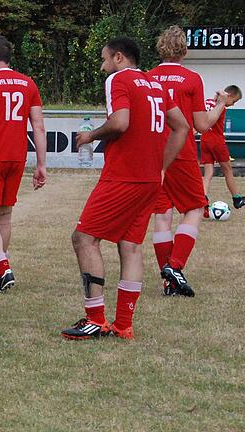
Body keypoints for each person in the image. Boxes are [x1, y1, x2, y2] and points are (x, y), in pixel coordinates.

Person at [61, 37, 188, 341]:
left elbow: (120, 122)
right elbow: (182, 126)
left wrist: (91, 134)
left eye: (104, 60)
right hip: (149, 179)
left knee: (84, 238)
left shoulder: (119, 79)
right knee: (130, 247)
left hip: (124, 176)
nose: (103, 67)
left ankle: (94, 319)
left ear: (118, 57)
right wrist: (161, 166)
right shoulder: (154, 83)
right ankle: (124, 324)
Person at [148, 25, 227, 297]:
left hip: (153, 153)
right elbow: (202, 125)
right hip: (179, 152)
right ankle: (175, 266)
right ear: (184, 50)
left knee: (162, 214)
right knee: (194, 207)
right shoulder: (192, 79)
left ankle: (167, 281)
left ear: (160, 47)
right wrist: (220, 105)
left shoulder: (147, 78)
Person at [0, 35, 48, 293]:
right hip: (17, 156)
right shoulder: (28, 83)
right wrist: (41, 164)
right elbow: (38, 126)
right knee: (5, 215)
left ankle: (2, 267)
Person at [201, 85, 243, 208]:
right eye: (234, 101)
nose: (233, 104)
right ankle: (237, 198)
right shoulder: (221, 107)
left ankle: (203, 198)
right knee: (227, 169)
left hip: (204, 139)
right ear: (229, 96)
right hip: (217, 141)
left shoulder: (208, 102)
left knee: (208, 172)